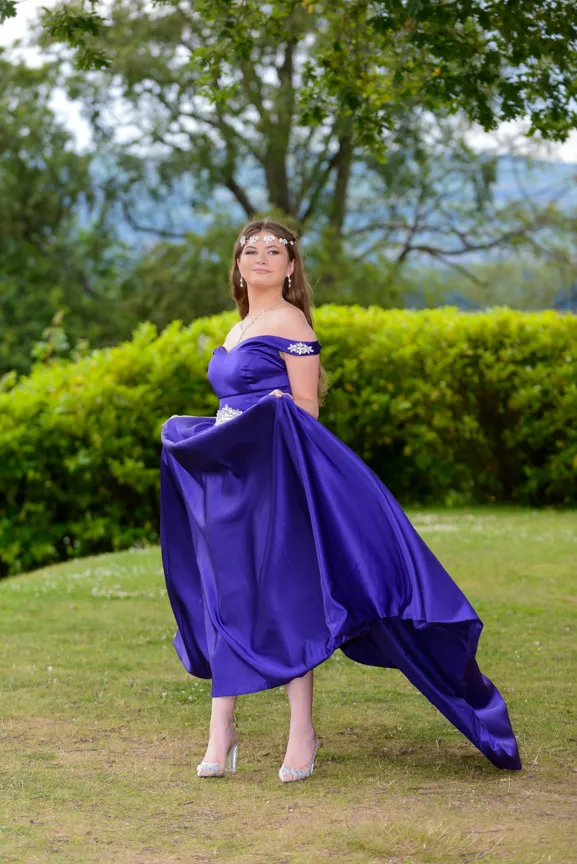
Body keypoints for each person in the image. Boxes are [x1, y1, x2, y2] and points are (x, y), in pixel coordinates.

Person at [160, 217, 522, 783]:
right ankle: (221, 731)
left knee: (286, 597)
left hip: (277, 479)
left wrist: (260, 419)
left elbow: (304, 409)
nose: (260, 257)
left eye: (273, 251)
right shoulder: (239, 327)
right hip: (234, 480)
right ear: (236, 265)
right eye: (250, 250)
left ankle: (301, 732)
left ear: (290, 266)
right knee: (227, 596)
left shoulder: (290, 320)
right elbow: (237, 402)